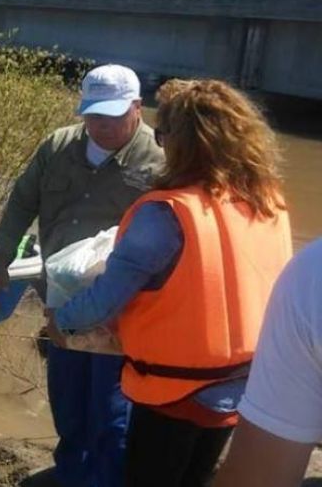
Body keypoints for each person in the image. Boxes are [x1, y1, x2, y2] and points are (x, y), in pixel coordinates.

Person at [46, 79, 293, 487]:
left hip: (172, 393)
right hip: (239, 386)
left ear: (180, 142)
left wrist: (61, 323)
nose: (159, 144)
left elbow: (104, 301)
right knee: (196, 477)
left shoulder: (165, 215)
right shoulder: (269, 203)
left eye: (162, 135)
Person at [0, 64, 164, 487]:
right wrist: (0, 257)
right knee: (67, 400)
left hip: (120, 309)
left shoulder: (160, 159)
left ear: (137, 108)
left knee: (111, 408)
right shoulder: (59, 146)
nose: (100, 125)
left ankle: (105, 478)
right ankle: (71, 473)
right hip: (60, 299)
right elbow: (21, 201)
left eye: (112, 115)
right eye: (92, 114)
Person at [212, 239, 322, 487]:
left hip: (174, 386)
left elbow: (257, 478)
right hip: (235, 380)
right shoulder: (270, 212)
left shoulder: (312, 272)